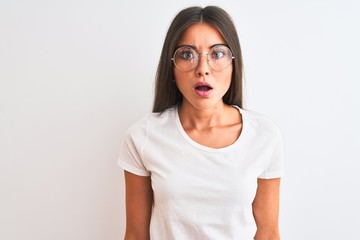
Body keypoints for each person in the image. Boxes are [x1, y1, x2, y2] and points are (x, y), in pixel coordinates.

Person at [118, 5, 284, 240]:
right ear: (172, 66)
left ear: (234, 62)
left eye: (217, 54)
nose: (203, 69)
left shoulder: (264, 135)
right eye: (187, 54)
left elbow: (268, 233)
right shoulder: (143, 136)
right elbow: (135, 234)